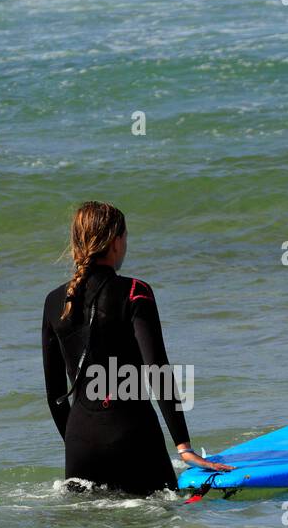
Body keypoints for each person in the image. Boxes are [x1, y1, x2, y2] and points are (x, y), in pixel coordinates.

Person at [41, 201, 233, 495]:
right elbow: (157, 369)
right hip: (131, 437)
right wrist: (184, 447)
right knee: (158, 525)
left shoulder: (54, 301)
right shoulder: (135, 291)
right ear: (116, 241)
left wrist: (81, 442)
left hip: (80, 445)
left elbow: (55, 395)